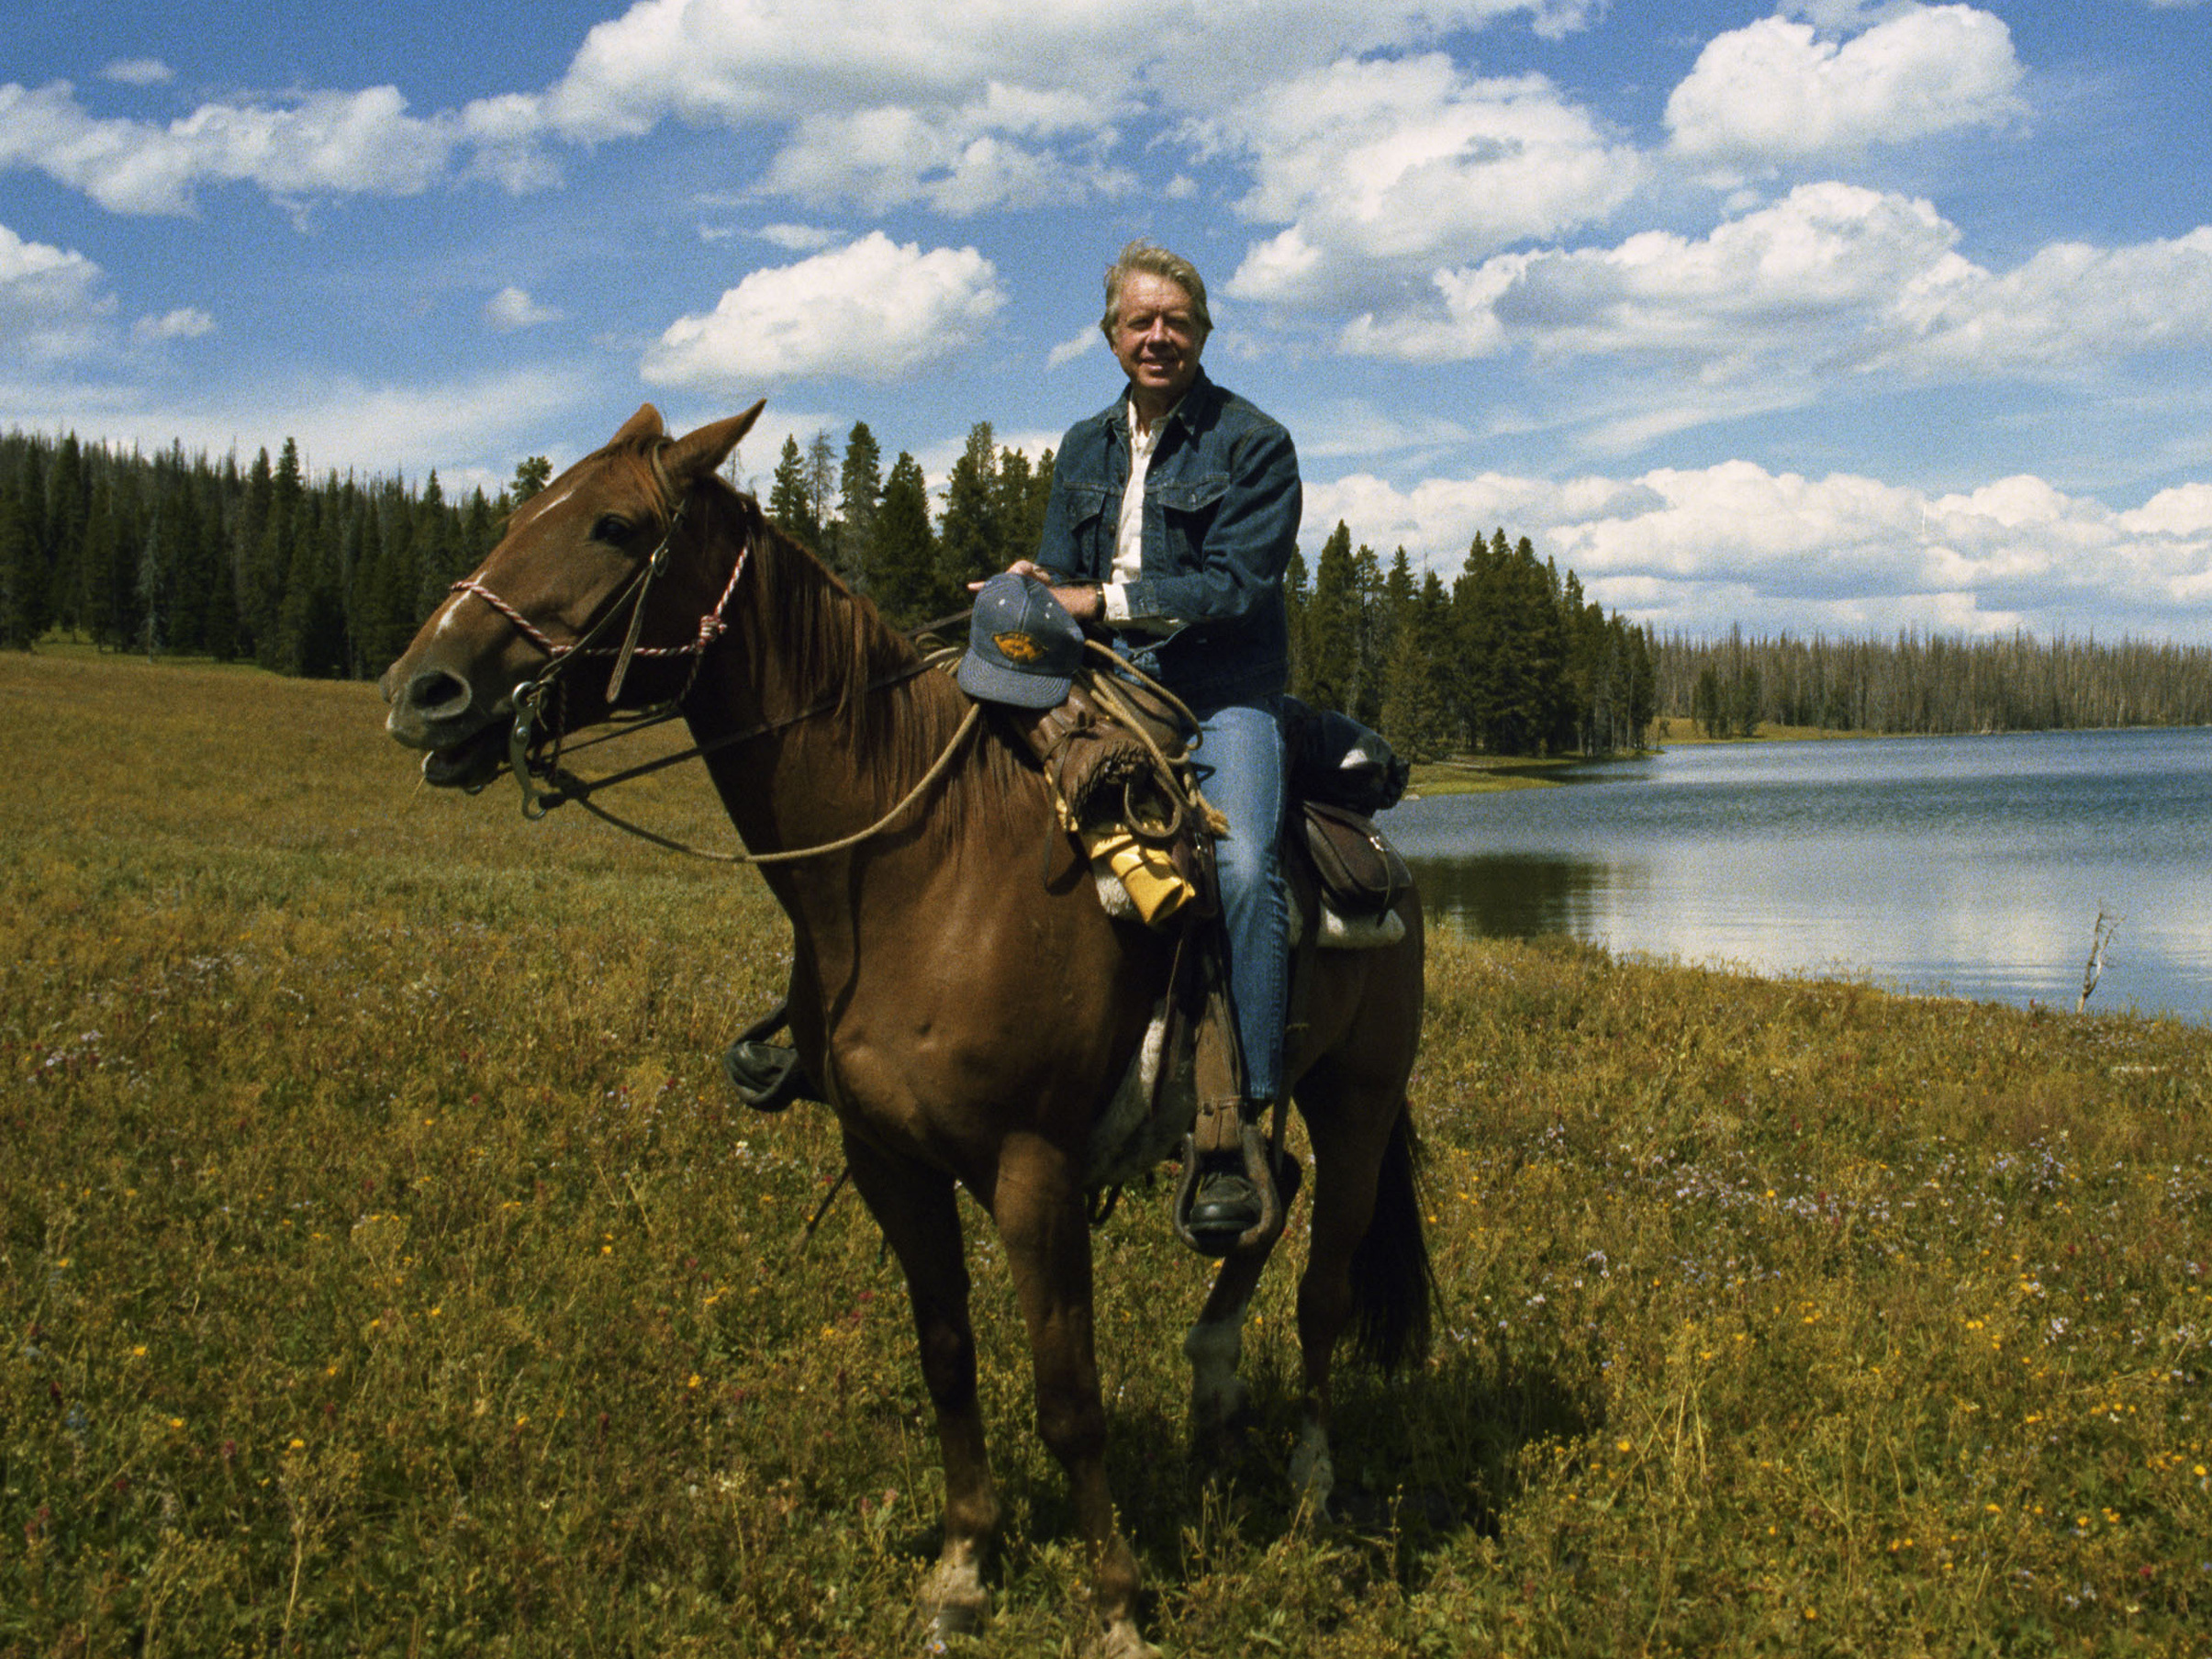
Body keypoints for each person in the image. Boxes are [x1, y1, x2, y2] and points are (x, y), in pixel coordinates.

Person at [982, 241, 1300, 1251]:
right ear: (1111, 333)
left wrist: (1099, 600)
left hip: (1218, 695)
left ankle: (1237, 1114)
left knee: (1244, 866)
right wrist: (1039, 583)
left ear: (1201, 332)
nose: (1155, 336)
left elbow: (1237, 588)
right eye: (1138, 321)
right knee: (961, 787)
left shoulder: (1253, 443)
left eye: (1174, 321)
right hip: (1103, 683)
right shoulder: (1082, 446)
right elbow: (1065, 569)